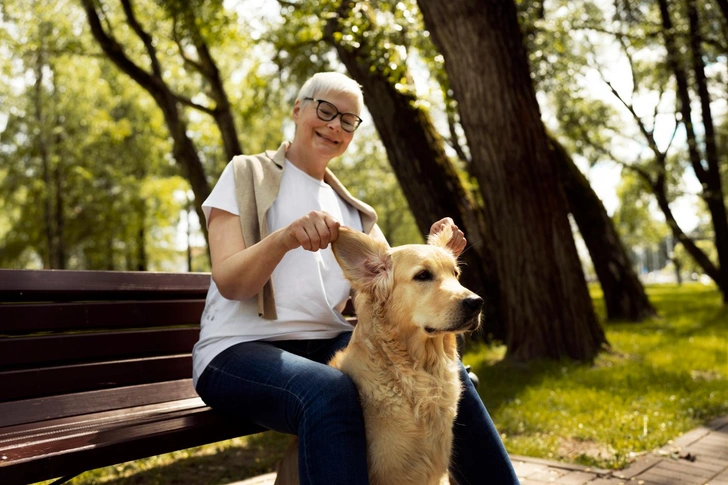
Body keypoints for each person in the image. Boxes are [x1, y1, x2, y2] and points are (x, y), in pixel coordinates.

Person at [193, 72, 519, 485]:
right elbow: (230, 282)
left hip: (326, 347)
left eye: (348, 120)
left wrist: (437, 252)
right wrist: (286, 238)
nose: (335, 125)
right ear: (297, 109)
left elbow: (393, 280)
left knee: (450, 370)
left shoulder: (355, 212)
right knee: (329, 391)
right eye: (325, 110)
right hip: (237, 352)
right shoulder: (246, 173)